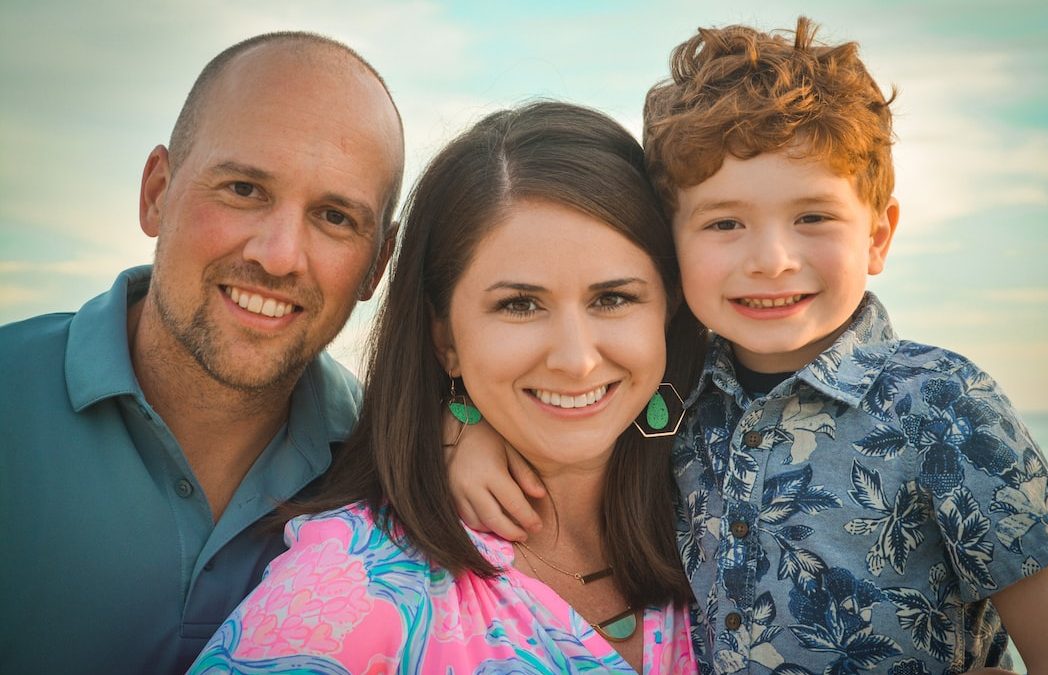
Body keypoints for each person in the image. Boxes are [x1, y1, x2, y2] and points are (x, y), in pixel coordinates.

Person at [447, 18, 1048, 674]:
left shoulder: (939, 399)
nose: (772, 259)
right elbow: (560, 421)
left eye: (812, 217)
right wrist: (469, 429)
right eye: (726, 222)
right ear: (673, 245)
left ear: (878, 236)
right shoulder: (671, 390)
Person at [187, 101, 698, 674]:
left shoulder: (729, 515)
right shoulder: (346, 591)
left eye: (613, 298)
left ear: (670, 308)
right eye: (520, 304)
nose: (577, 361)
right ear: (445, 337)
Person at [0, 32, 403, 674]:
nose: (277, 255)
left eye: (333, 217)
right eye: (244, 189)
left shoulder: (390, 470)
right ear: (157, 192)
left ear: (377, 266)